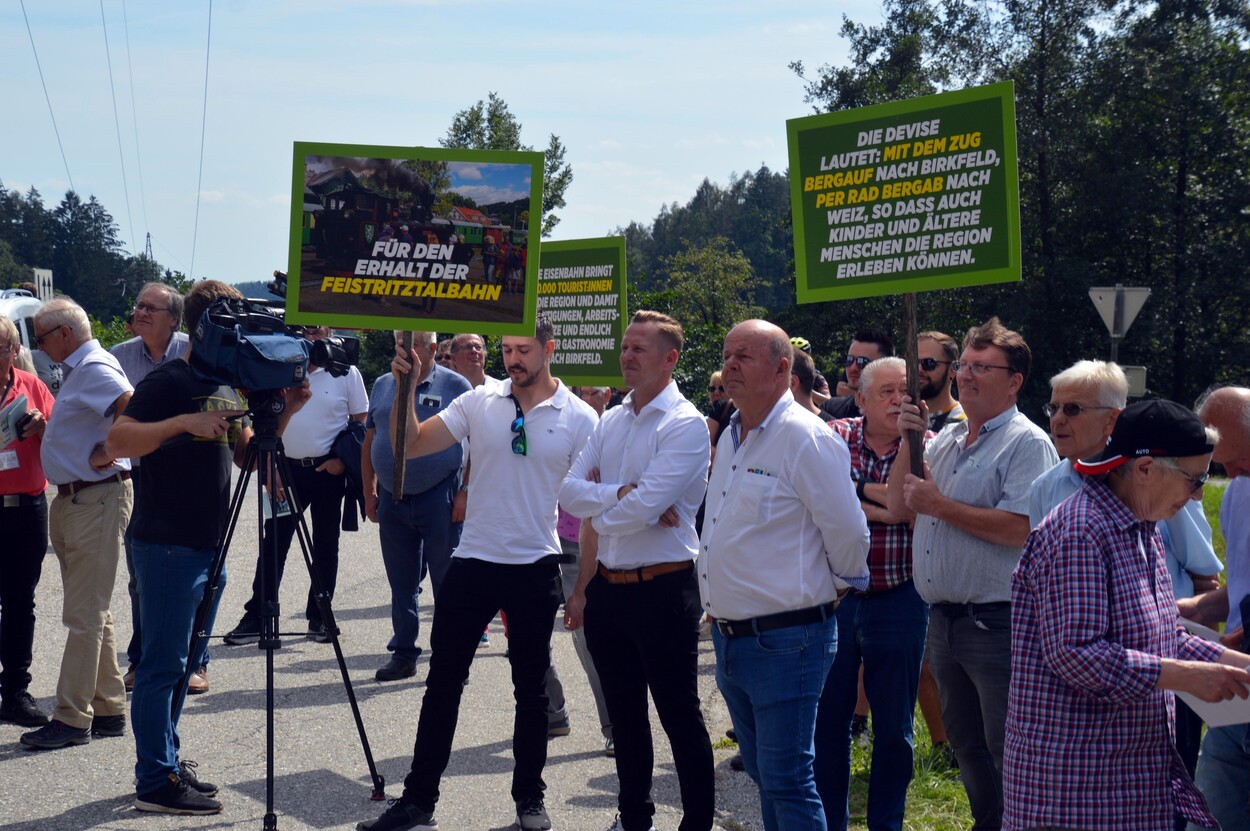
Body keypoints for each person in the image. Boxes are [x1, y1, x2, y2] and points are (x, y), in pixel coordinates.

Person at [356, 315, 597, 831]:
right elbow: (410, 443)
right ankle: (418, 801)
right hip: (474, 563)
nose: (513, 360)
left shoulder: (579, 417)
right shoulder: (476, 400)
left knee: (530, 691)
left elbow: (594, 504)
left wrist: (585, 585)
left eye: (524, 350)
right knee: (443, 683)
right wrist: (407, 384)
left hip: (536, 566)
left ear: (549, 349)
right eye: (507, 349)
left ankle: (530, 801)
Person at [1003, 399, 1250, 831]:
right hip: (1074, 793)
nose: (1197, 495)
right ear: (1145, 469)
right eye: (1194, 480)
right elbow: (1076, 655)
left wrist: (1238, 665)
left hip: (1128, 785)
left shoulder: (1142, 526)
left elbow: (1161, 635)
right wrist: (1182, 676)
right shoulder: (1081, 532)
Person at [106, 279, 303, 815]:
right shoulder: (171, 380)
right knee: (161, 666)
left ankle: (166, 762)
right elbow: (117, 441)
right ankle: (155, 781)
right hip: (167, 545)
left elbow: (246, 457)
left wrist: (287, 410)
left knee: (185, 661)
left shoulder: (224, 385)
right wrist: (181, 424)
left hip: (206, 550)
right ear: (208, 326)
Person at [886, 317, 1057, 830]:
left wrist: (939, 505)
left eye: (984, 367)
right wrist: (905, 441)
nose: (967, 375)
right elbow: (898, 504)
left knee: (1010, 747)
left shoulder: (1027, 443)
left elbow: (1023, 528)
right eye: (964, 364)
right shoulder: (946, 438)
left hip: (998, 622)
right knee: (965, 743)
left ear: (1014, 381)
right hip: (944, 620)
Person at [700, 319, 870, 831]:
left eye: (744, 357)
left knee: (789, 779)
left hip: (787, 640)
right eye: (727, 356)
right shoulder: (732, 433)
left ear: (782, 369)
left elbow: (850, 537)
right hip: (732, 640)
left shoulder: (806, 438)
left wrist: (833, 590)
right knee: (765, 774)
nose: (729, 366)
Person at [559, 311, 714, 831]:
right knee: (625, 718)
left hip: (664, 590)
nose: (626, 356)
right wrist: (625, 494)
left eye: (638, 349)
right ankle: (634, 817)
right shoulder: (612, 419)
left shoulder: (685, 423)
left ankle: (695, 822)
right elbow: (568, 491)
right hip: (609, 589)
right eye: (625, 347)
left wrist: (617, 501)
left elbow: (636, 508)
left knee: (678, 716)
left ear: (670, 359)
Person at [816, 357, 930, 831]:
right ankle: (828, 823)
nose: (897, 400)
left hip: (899, 599)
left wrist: (907, 444)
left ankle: (887, 823)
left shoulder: (930, 445)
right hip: (838, 599)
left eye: (905, 391)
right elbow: (822, 499)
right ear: (860, 398)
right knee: (829, 726)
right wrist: (883, 504)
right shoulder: (833, 436)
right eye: (885, 391)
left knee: (895, 731)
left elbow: (913, 510)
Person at [20, 298, 134, 751]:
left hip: (95, 497)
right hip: (80, 498)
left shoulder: (93, 366)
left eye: (44, 337)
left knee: (84, 615)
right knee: (93, 611)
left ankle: (71, 717)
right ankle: (107, 706)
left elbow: (132, 405)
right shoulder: (81, 368)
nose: (41, 347)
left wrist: (108, 452)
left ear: (65, 334)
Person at [223, 325, 368, 646]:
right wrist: (270, 465)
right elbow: (264, 420)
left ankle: (319, 617)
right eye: (304, 331)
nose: (311, 337)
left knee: (326, 545)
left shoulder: (345, 371)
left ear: (327, 332)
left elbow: (362, 421)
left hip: (328, 470)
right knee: (273, 543)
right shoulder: (277, 366)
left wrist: (343, 461)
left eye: (316, 331)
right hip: (283, 469)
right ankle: (257, 616)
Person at [361, 331, 470, 681]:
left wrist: (467, 490)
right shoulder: (382, 384)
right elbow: (371, 437)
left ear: (434, 349)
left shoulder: (457, 386)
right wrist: (369, 487)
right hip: (393, 498)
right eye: (399, 342)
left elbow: (479, 443)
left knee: (447, 581)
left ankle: (451, 657)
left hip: (440, 496)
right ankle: (404, 653)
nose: (405, 349)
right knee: (401, 581)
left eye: (414, 342)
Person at [111, 283, 193, 692]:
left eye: (150, 307)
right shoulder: (119, 357)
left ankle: (196, 662)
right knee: (140, 575)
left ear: (174, 318)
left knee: (197, 571)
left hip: (187, 474)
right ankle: (140, 660)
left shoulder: (193, 350)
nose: (140, 312)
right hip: (140, 476)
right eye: (138, 306)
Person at [1186, 385, 1250, 831]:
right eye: (1222, 464)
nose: (1233, 471)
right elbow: (1240, 588)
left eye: (1240, 459)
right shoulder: (1238, 493)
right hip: (1237, 701)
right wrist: (1184, 611)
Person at [0, 315, 55, 728]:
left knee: (21, 601)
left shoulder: (31, 385)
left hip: (27, 507)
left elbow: (59, 434)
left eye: (0, 347)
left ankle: (16, 691)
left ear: (14, 350)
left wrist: (42, 424)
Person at [820, 328, 894, 420]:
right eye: (850, 360)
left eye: (862, 362)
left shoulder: (895, 415)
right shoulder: (829, 408)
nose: (853, 368)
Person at [917, 331, 964, 432]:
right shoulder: (896, 419)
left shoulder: (966, 424)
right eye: (913, 363)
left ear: (953, 370)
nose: (919, 369)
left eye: (929, 363)